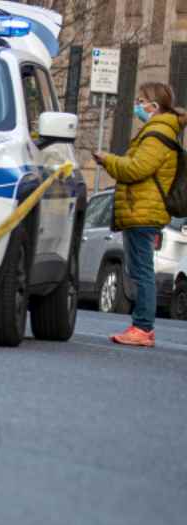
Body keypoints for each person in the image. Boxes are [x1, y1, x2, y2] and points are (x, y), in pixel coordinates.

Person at [94, 82, 186, 347]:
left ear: (154, 107)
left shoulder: (157, 134)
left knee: (142, 271)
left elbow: (136, 169)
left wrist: (108, 160)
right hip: (142, 209)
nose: (137, 106)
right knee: (138, 269)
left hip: (144, 211)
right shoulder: (159, 130)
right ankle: (141, 326)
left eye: (141, 101)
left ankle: (143, 327)